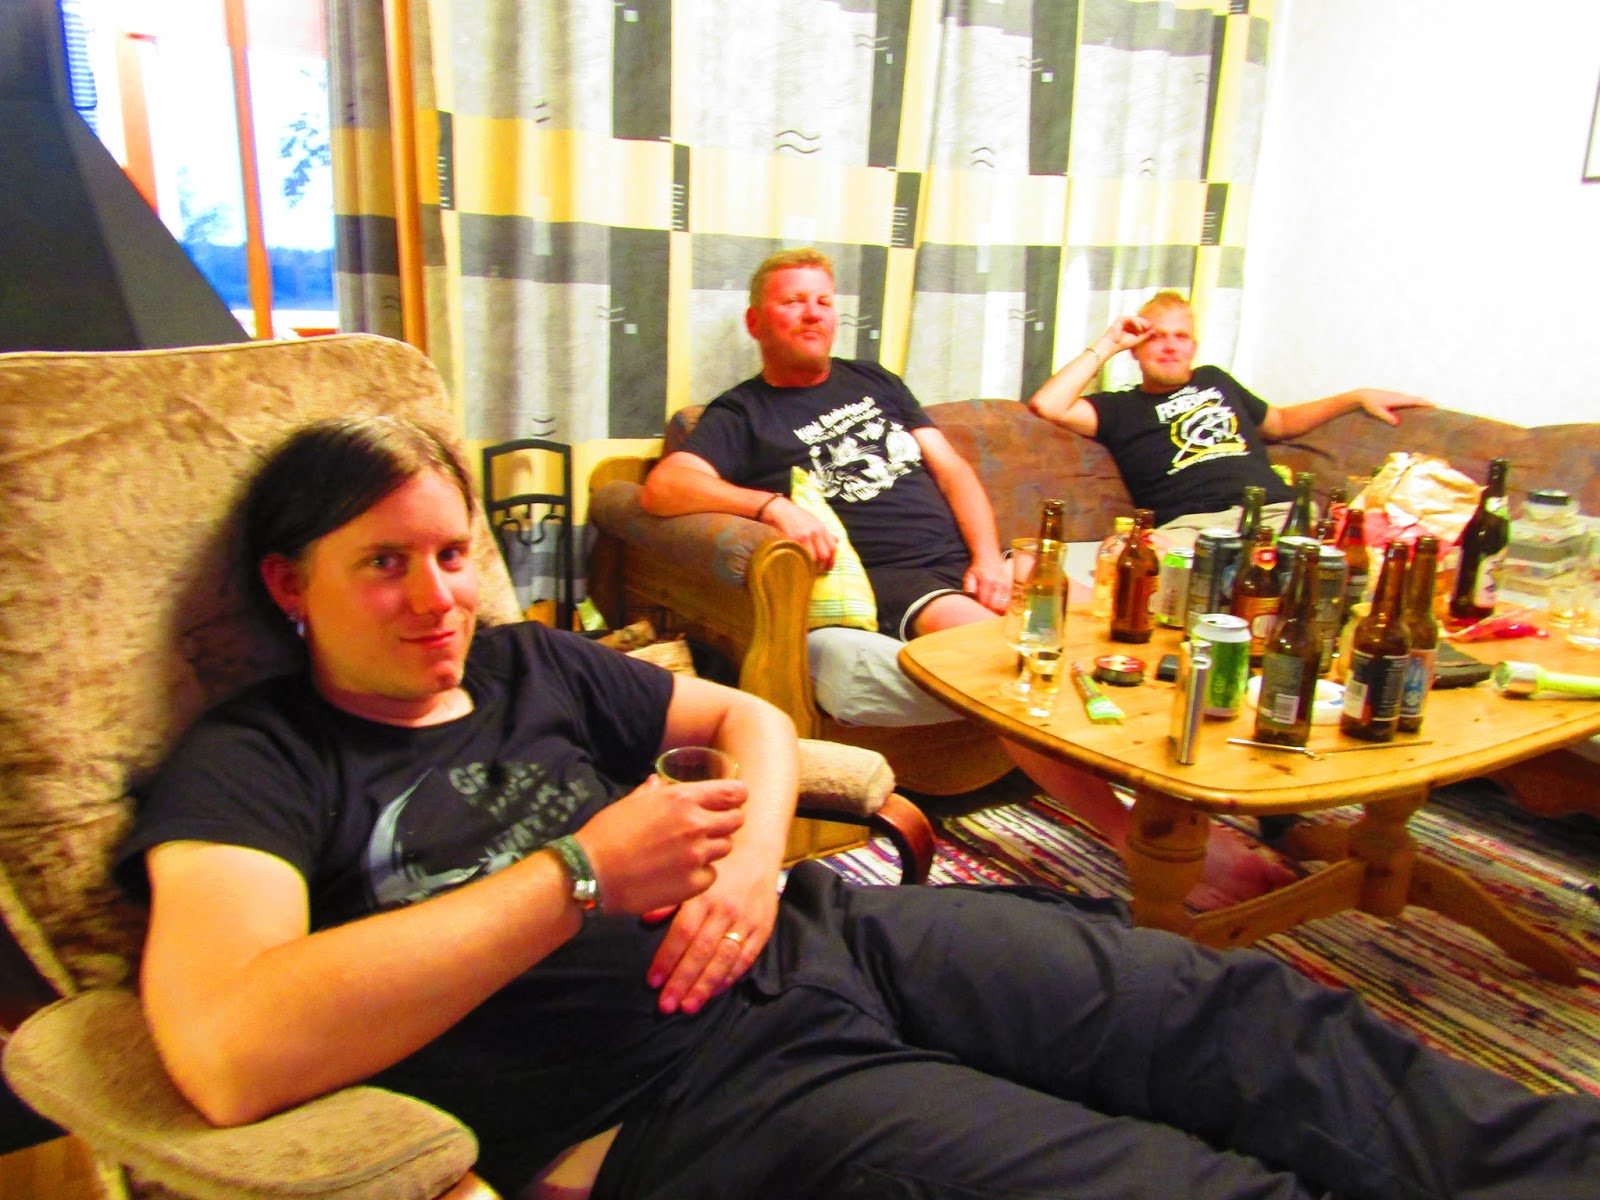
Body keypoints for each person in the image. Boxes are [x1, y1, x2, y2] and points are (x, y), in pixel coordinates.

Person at [116, 413, 1600, 1200]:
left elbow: (752, 718)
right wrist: (577, 874)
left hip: (827, 937)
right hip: (673, 1099)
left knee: (1229, 1015)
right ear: (289, 585)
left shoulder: (526, 661)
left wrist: (753, 855)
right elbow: (231, 1052)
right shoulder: (259, 761)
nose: (439, 596)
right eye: (383, 564)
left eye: (450, 555)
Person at [640, 249, 1293, 908]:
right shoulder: (743, 414)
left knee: (1125, 625)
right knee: (1014, 663)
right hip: (904, 578)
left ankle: (1182, 804)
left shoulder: (874, 380)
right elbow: (664, 487)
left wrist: (988, 558)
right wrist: (770, 505)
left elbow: (952, 470)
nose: (813, 313)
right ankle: (1130, 838)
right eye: (793, 301)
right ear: (756, 322)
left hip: (968, 556)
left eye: (823, 300)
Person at [1026, 290, 1431, 531]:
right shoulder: (1118, 407)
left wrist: (1355, 397)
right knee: (1129, 565)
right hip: (1192, 528)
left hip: (1275, 513)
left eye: (1181, 336)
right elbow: (1048, 404)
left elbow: (1280, 422)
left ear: (1194, 347)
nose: (1170, 346)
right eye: (1156, 337)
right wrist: (1110, 342)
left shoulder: (1215, 379)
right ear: (1135, 349)